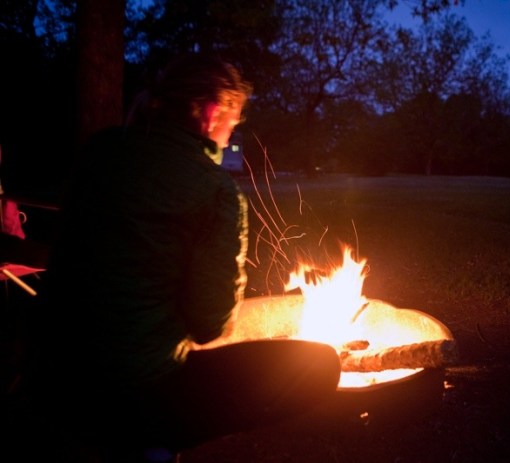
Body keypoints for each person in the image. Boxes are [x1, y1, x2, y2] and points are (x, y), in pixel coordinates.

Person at [23, 53, 341, 462]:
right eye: (235, 119)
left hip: (45, 377)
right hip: (126, 395)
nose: (232, 134)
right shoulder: (214, 191)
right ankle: (146, 439)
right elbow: (209, 325)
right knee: (319, 365)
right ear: (212, 111)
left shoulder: (99, 151)